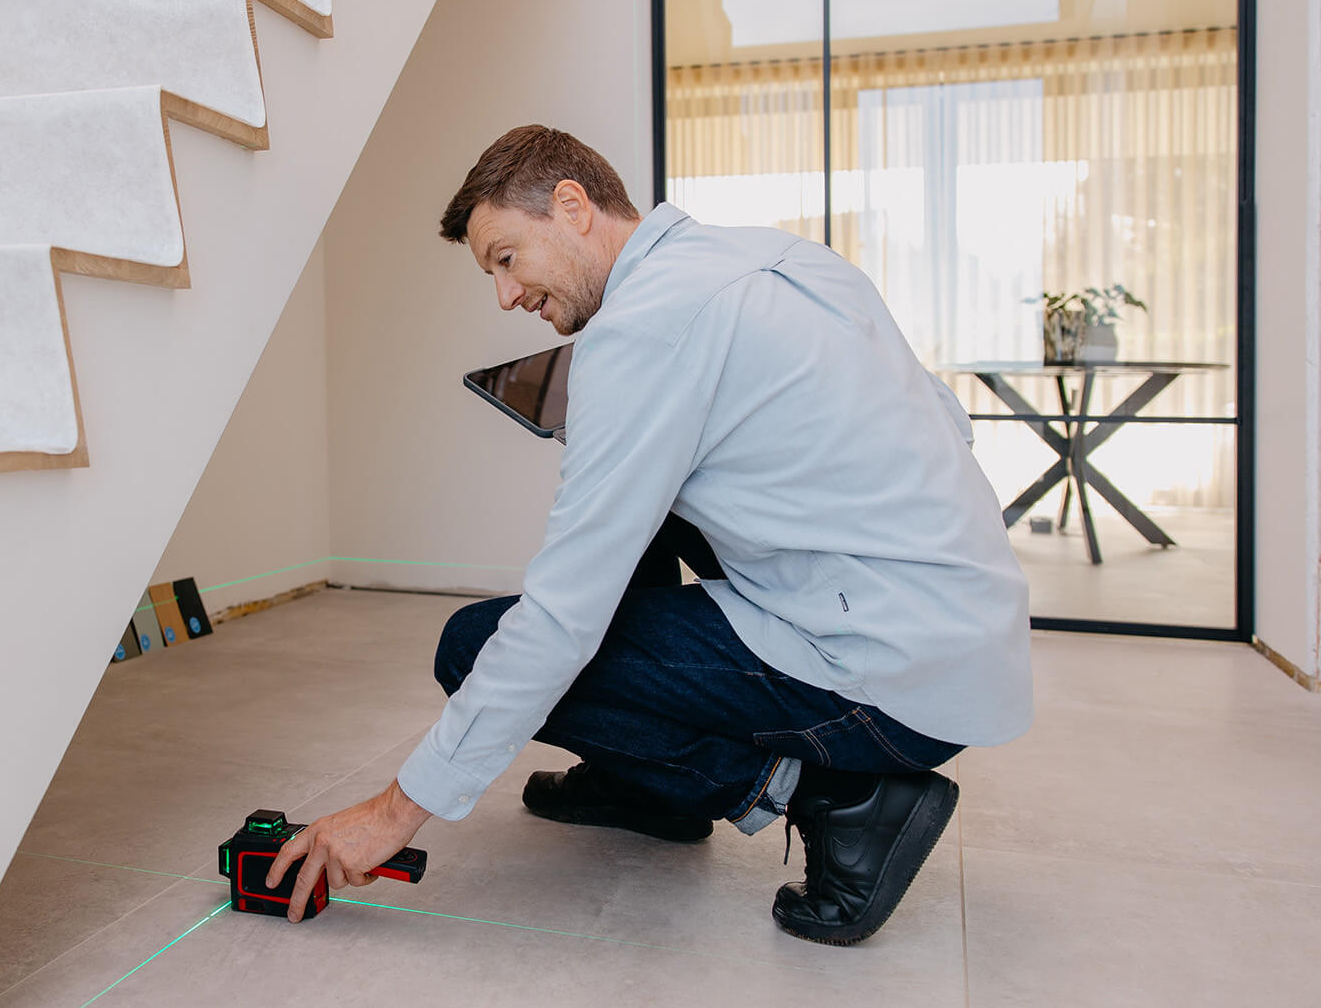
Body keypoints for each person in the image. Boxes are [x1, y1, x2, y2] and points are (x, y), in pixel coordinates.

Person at [267, 125, 1032, 944]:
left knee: (472, 645)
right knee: (655, 509)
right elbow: (945, 423)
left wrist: (394, 811)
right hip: (964, 633)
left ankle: (840, 801)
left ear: (572, 205)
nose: (505, 295)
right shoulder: (782, 257)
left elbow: (564, 615)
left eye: (505, 258)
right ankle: (647, 789)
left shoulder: (640, 332)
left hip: (887, 686)